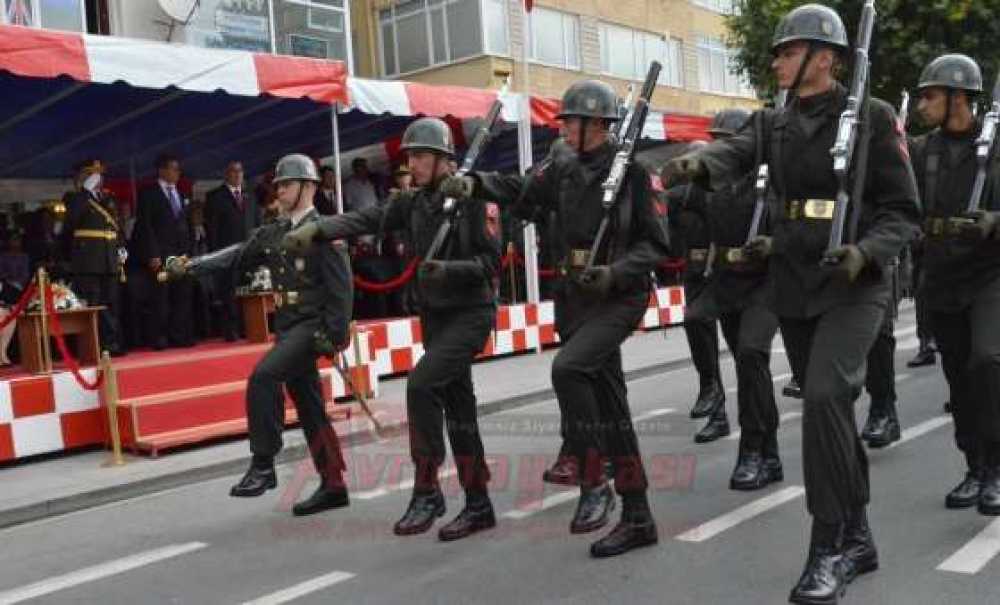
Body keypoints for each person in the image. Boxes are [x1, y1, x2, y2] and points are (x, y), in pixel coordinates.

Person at [668, 5, 919, 602]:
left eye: (787, 51)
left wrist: (866, 252)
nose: (776, 60)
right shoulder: (774, 123)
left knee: (828, 398)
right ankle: (859, 534)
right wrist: (700, 161)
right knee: (829, 414)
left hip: (854, 284)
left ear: (824, 58)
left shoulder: (873, 118)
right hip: (796, 284)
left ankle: (828, 546)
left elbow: (902, 211)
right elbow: (733, 153)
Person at [445, 79, 671, 557]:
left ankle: (594, 480)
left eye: (571, 121)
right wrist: (476, 182)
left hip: (618, 296)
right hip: (574, 297)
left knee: (568, 368)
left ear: (596, 124)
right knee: (612, 410)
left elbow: (656, 246)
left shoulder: (636, 171)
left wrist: (613, 273)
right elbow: (523, 190)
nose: (564, 129)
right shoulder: (562, 165)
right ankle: (638, 516)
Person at [284, 118, 501, 542]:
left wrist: (448, 269)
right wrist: (316, 229)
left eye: (420, 155)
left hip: (470, 314)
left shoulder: (474, 198)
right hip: (436, 317)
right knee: (460, 411)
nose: (412, 163)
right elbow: (366, 218)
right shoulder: (414, 203)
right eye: (410, 156)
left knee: (420, 385)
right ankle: (479, 504)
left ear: (444, 159)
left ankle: (427, 487)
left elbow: (490, 267)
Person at [167, 154, 353, 516]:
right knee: (310, 406)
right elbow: (237, 254)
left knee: (263, 377)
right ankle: (333, 484)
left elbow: (341, 289)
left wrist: (335, 335)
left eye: (286, 184)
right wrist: (192, 265)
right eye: (278, 185)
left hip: (311, 327)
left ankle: (263, 463)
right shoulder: (275, 231)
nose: (279, 190)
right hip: (287, 327)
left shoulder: (326, 230)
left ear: (308, 186)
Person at [910, 54, 1000, 514]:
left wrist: (994, 221)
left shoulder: (997, 144)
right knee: (959, 379)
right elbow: (903, 208)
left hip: (991, 275)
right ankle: (975, 466)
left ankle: (998, 466)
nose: (922, 104)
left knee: (988, 362)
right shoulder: (923, 151)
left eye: (931, 96)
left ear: (959, 97)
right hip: (942, 277)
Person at [697, 107, 784, 489]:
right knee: (747, 365)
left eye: (727, 143)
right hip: (728, 282)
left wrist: (774, 244)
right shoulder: (713, 186)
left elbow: (797, 224)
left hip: (767, 282)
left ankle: (752, 447)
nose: (721, 150)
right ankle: (770, 452)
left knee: (752, 353)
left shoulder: (774, 182)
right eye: (716, 142)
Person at [664, 144, 727, 439]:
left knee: (747, 351)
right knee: (704, 341)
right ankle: (717, 410)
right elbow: (672, 235)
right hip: (694, 272)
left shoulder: (721, 190)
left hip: (723, 270)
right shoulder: (680, 196)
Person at [131, 154, 194, 349]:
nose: (177, 173)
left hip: (181, 254)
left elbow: (187, 224)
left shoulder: (181, 194)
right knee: (161, 298)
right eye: (173, 168)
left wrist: (189, 252)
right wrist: (152, 254)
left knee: (181, 295)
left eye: (178, 169)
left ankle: (179, 335)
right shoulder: (149, 194)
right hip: (161, 253)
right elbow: (145, 226)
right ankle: (159, 337)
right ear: (162, 170)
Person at [63, 159, 124, 356]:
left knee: (110, 304)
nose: (97, 178)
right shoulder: (75, 198)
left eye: (99, 174)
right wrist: (85, 192)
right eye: (92, 174)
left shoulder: (108, 198)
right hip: (89, 260)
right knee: (92, 304)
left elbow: (115, 226)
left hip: (109, 258)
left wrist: (121, 246)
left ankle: (111, 344)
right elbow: (72, 220)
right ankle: (93, 347)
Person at [205, 160, 258, 341]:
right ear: (226, 174)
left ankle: (248, 327)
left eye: (240, 171)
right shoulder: (215, 197)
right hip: (227, 252)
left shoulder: (250, 196)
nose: (237, 175)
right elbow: (212, 228)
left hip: (248, 252)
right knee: (229, 291)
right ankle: (231, 330)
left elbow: (256, 224)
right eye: (233, 171)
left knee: (248, 289)